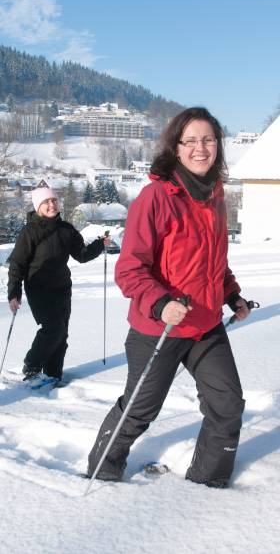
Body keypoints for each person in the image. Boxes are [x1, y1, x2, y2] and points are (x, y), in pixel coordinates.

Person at [87, 106, 250, 488]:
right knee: (141, 410)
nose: (200, 147)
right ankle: (102, 471)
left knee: (227, 405)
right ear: (175, 148)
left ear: (218, 145)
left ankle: (206, 485)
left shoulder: (215, 197)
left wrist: (232, 295)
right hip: (158, 327)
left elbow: (213, 262)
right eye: (190, 140)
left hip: (205, 324)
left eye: (208, 139)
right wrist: (161, 303)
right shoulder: (156, 197)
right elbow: (129, 269)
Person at [8, 186, 109, 382]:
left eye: (53, 200)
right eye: (46, 202)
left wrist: (98, 244)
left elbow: (81, 255)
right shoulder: (30, 231)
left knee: (62, 333)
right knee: (53, 329)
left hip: (62, 288)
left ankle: (53, 374)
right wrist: (14, 292)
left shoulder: (66, 229)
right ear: (38, 207)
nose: (51, 204)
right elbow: (17, 264)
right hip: (38, 289)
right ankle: (32, 365)